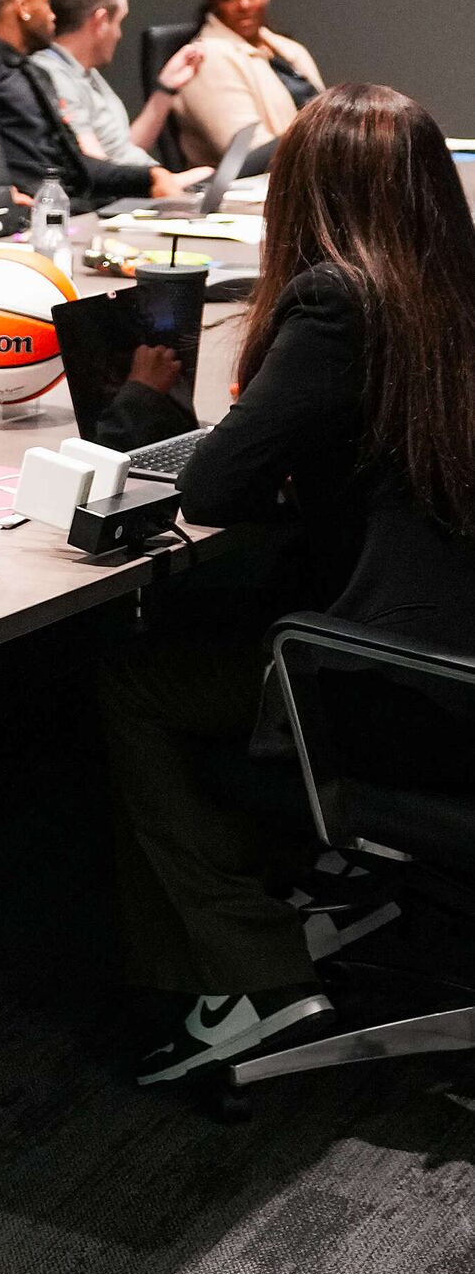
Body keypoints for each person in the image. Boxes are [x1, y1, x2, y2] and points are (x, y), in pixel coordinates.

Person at [102, 83, 475, 1087]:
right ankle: (301, 886)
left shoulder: (340, 301)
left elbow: (219, 484)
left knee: (135, 680)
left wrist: (144, 404)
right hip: (447, 651)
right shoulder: (450, 289)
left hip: (411, 689)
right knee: (214, 611)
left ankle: (248, 982)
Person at [0, 0, 201, 212]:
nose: (53, 15)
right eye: (46, 3)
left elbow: (73, 163)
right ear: (23, 8)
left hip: (66, 203)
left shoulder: (27, 72)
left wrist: (149, 177)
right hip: (41, 212)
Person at [35, 0, 205, 171]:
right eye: (118, 23)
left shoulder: (85, 72)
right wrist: (165, 181)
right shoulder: (53, 77)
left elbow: (124, 151)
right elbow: (96, 170)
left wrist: (166, 88)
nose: (119, 34)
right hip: (119, 196)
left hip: (134, 186)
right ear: (101, 20)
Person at [177, 0, 326, 162]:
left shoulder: (289, 49)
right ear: (212, 2)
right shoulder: (207, 58)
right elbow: (248, 153)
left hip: (312, 170)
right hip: (259, 186)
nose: (244, 4)